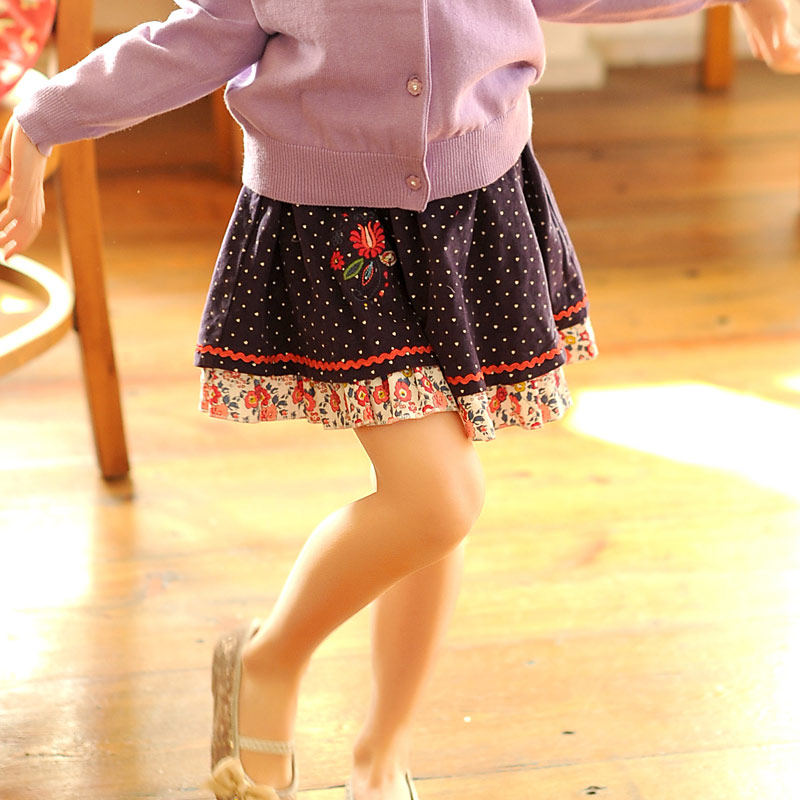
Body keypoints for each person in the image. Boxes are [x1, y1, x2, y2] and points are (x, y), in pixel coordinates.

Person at [1, 1, 798, 799]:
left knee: (438, 493)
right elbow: (195, 39)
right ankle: (269, 659)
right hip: (338, 232)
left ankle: (382, 757)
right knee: (437, 500)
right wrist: (47, 117)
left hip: (475, 209)